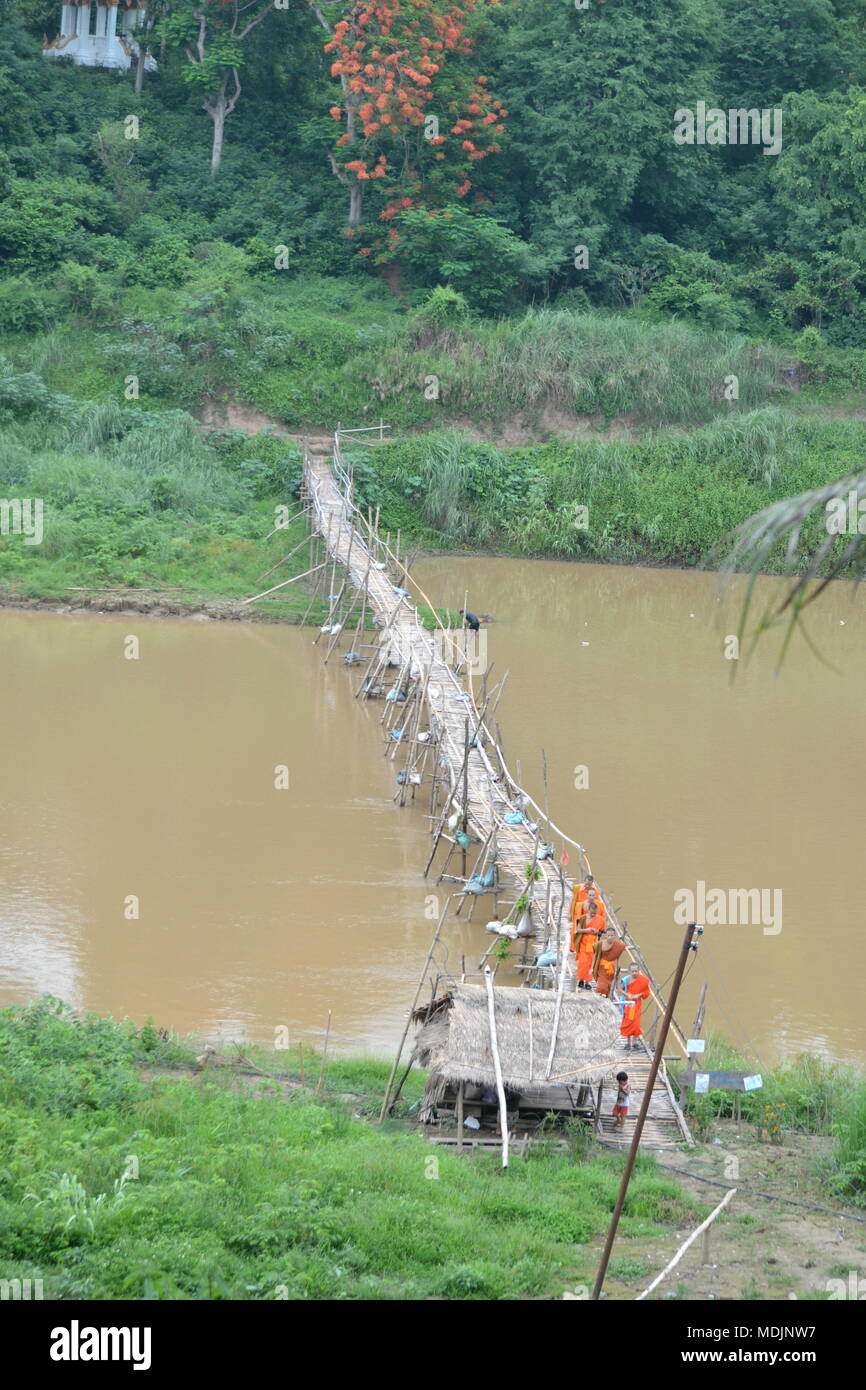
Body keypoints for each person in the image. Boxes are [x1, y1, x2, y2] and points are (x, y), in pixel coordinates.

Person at [573, 900, 604, 990]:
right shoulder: (582, 918)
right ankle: (581, 980)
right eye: (592, 913)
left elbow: (602, 932)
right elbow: (578, 930)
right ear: (588, 910)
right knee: (583, 962)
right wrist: (588, 930)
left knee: (591, 963)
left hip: (593, 943)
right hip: (583, 942)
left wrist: (597, 931)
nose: (593, 915)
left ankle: (587, 982)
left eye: (595, 913)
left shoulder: (600, 920)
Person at [620, 972, 650, 1050]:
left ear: (638, 971)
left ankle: (635, 1043)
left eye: (636, 971)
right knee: (628, 1023)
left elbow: (646, 992)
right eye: (632, 971)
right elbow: (620, 989)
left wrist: (639, 995)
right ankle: (628, 1043)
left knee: (636, 1024)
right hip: (628, 1003)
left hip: (637, 1004)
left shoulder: (642, 980)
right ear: (630, 971)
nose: (634, 973)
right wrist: (627, 995)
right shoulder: (626, 979)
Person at [595, 928, 625, 997]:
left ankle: (604, 998)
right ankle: (600, 997)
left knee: (608, 985)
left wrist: (617, 974)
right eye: (608, 935)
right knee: (602, 986)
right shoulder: (601, 944)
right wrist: (592, 968)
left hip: (611, 969)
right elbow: (596, 956)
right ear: (605, 935)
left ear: (615, 936)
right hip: (602, 968)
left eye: (612, 936)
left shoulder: (618, 946)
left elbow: (619, 964)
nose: (610, 937)